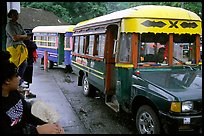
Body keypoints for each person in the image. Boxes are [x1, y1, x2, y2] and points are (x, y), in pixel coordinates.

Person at [1, 50, 65, 134]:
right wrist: (37, 131)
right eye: (16, 75)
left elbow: (28, 112)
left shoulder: (14, 94)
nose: (19, 78)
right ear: (7, 80)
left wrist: (52, 125)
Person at [5, 9, 30, 90]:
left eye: (17, 14)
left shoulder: (18, 25)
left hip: (21, 48)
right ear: (11, 16)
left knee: (24, 64)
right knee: (14, 66)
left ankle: (19, 82)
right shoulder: (9, 25)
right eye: (14, 14)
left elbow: (26, 36)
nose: (16, 16)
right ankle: (12, 83)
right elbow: (15, 38)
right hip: (13, 48)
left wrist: (21, 36)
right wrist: (22, 36)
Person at [22, 31, 38, 99]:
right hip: (29, 63)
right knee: (27, 78)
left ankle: (24, 92)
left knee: (22, 77)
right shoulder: (31, 43)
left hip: (22, 62)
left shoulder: (21, 43)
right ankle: (26, 93)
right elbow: (35, 46)